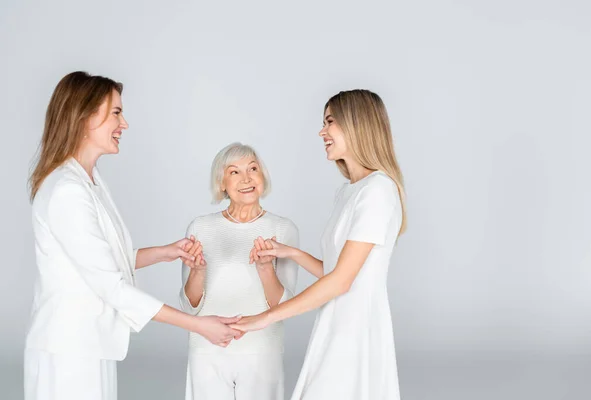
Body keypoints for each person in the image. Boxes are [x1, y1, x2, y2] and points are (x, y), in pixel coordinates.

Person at [25, 71, 241, 400]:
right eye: (116, 113)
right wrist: (198, 325)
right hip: (68, 350)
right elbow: (110, 285)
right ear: (84, 116)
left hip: (89, 342)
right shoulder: (67, 190)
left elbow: (103, 260)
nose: (124, 124)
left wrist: (166, 252)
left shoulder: (89, 179)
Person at [232, 90, 407, 399]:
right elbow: (338, 270)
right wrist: (292, 253)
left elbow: (341, 281)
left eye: (330, 122)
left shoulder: (378, 190)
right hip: (336, 320)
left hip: (356, 329)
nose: (321, 131)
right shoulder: (349, 191)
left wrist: (266, 317)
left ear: (357, 124)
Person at [180, 142, 299, 400]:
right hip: (207, 349)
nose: (246, 178)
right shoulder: (200, 227)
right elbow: (189, 306)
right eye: (234, 172)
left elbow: (285, 306)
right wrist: (198, 272)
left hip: (261, 350)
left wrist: (266, 270)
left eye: (253, 169)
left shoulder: (283, 229)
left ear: (263, 177)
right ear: (221, 183)